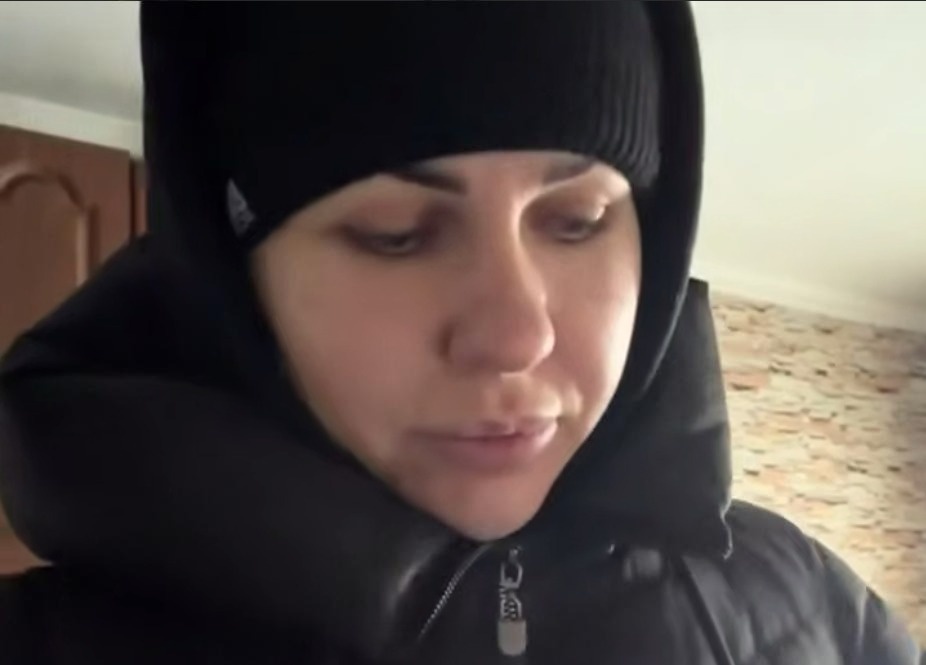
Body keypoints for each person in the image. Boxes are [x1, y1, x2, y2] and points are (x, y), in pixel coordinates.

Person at [0, 3, 921, 664]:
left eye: (576, 220)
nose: (517, 334)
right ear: (232, 280)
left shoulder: (813, 604)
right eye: (396, 233)